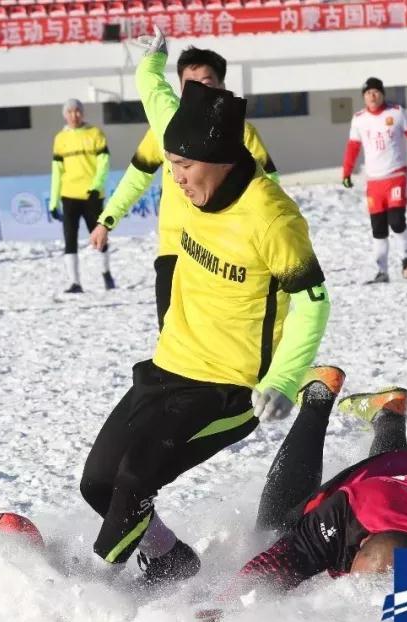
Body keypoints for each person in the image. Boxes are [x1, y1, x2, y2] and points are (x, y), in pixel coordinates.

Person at [78, 27, 330, 589]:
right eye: (170, 167)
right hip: (169, 362)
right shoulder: (180, 145)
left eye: (184, 171)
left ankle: (92, 583)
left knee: (136, 477)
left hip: (228, 385)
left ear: (216, 159)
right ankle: (171, 560)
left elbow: (313, 302)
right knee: (98, 483)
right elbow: (154, 91)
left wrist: (285, 380)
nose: (176, 181)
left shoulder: (272, 218)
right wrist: (153, 57)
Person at [197, 379, 407, 622]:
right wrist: (227, 604)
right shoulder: (345, 512)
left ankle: (389, 413)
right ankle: (318, 394)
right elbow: (280, 559)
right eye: (357, 583)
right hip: (391, 485)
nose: (353, 591)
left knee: (394, 470)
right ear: (362, 544)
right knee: (276, 529)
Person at [89, 46, 280, 329]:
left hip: (223, 251)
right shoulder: (166, 130)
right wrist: (107, 220)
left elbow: (269, 187)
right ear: (180, 89)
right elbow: (137, 177)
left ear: (222, 85)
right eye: (191, 85)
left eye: (207, 82)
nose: (201, 91)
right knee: (171, 337)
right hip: (174, 249)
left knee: (220, 337)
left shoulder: (242, 133)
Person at [341, 77, 407, 284]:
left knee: (396, 221)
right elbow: (353, 147)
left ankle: (406, 257)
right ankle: (382, 272)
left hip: (396, 176)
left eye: (375, 92)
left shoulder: (396, 112)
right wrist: (346, 172)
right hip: (374, 182)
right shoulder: (359, 119)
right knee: (378, 229)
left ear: (382, 94)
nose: (372, 96)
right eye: (367, 93)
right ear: (364, 97)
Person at [49, 99, 114, 294]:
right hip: (69, 196)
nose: (74, 115)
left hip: (92, 195)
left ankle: (106, 272)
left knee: (99, 237)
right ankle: (75, 282)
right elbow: (57, 171)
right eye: (69, 112)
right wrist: (53, 202)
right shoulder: (60, 139)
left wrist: (96, 186)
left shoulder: (95, 134)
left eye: (77, 111)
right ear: (64, 114)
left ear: (82, 113)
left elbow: (104, 162)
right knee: (70, 239)